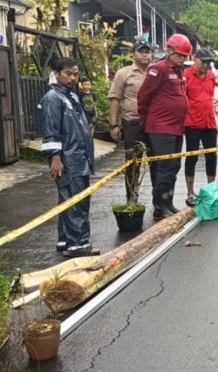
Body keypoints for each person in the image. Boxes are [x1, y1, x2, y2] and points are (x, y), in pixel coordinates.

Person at [39, 57, 99, 257]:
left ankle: (65, 239)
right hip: (68, 159)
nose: (73, 78)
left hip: (79, 157)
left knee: (68, 200)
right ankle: (78, 244)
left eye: (75, 74)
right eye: (68, 74)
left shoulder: (70, 95)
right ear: (56, 73)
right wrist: (55, 157)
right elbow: (50, 130)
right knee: (76, 202)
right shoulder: (53, 98)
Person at [138, 33, 191, 221]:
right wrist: (145, 121)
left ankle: (168, 202)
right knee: (164, 167)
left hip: (176, 127)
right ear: (169, 51)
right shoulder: (158, 69)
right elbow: (144, 95)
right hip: (160, 127)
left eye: (185, 56)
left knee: (174, 166)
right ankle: (159, 207)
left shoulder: (179, 71)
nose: (183, 59)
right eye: (180, 55)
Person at [108, 39, 152, 203]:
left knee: (157, 162)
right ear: (133, 54)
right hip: (132, 123)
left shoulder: (155, 72)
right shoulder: (123, 73)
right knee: (133, 162)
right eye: (141, 51)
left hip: (154, 124)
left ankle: (159, 200)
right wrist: (114, 125)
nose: (145, 54)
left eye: (147, 51)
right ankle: (132, 197)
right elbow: (114, 99)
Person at [183, 49, 218, 206]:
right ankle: (190, 192)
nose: (205, 65)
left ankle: (211, 189)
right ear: (195, 60)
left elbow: (210, 96)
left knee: (212, 156)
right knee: (192, 156)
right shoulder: (186, 75)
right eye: (202, 62)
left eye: (207, 63)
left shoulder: (211, 76)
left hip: (209, 121)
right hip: (192, 122)